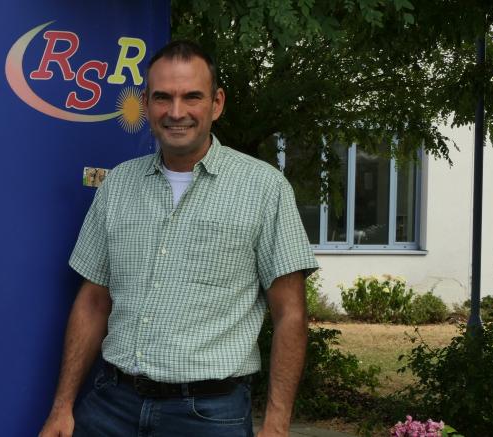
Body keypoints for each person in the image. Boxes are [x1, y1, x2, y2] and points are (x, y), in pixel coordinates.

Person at [39, 40, 318, 437]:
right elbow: (93, 300)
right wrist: (62, 406)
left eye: (192, 97)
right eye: (162, 97)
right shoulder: (118, 184)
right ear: (146, 104)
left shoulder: (264, 188)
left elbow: (290, 313)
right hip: (110, 407)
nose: (175, 112)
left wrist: (276, 424)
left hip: (208, 416)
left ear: (216, 103)